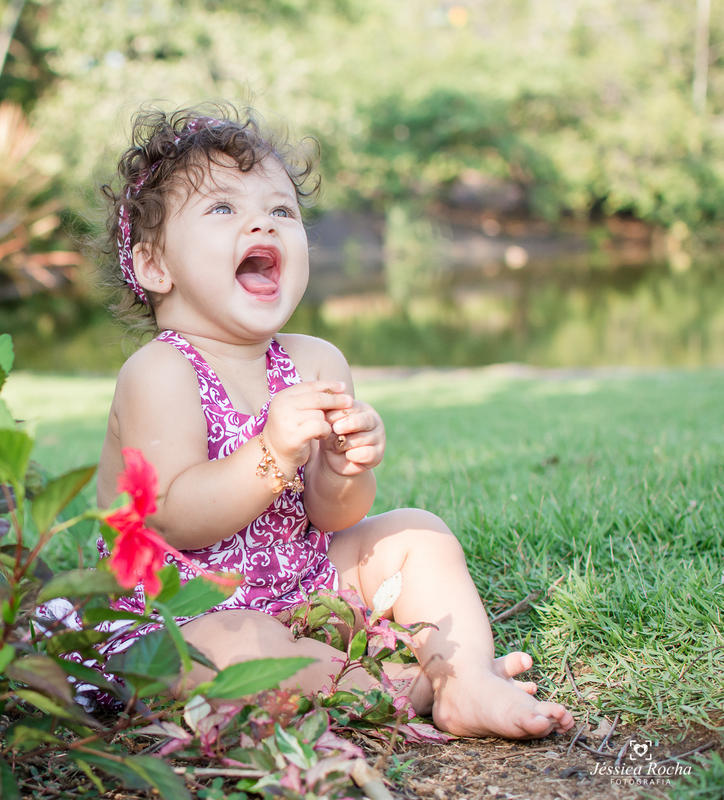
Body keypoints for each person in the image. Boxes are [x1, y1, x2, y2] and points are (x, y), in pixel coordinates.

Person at [92, 107, 574, 740]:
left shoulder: (315, 360)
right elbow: (172, 515)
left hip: (302, 578)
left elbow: (333, 517)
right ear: (156, 266)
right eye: (222, 209)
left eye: (282, 211)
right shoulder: (160, 373)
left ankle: (468, 678)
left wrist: (346, 467)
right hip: (180, 609)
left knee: (417, 533)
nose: (262, 221)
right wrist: (270, 452)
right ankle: (407, 686)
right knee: (237, 649)